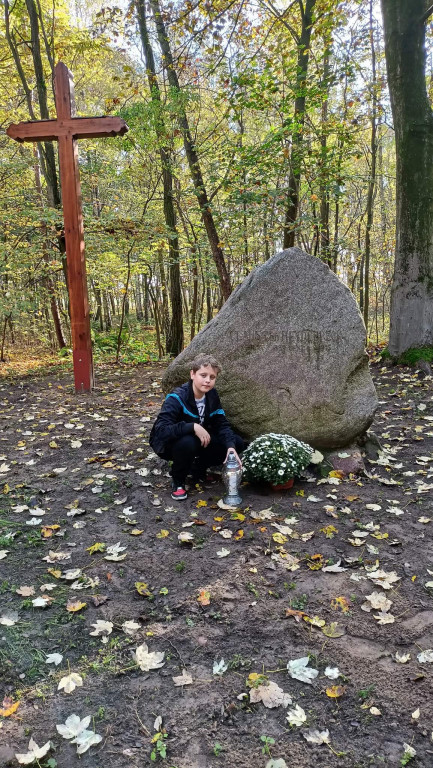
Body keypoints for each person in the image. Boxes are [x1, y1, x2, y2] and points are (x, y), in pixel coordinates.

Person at [149, 353, 243, 500]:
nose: (207, 380)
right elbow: (161, 431)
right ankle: (178, 481)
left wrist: (230, 446)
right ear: (192, 374)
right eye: (203, 375)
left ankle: (197, 469)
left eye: (212, 377)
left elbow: (221, 423)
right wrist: (192, 426)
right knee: (188, 442)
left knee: (236, 442)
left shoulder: (212, 395)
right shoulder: (176, 397)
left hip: (199, 441)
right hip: (171, 443)